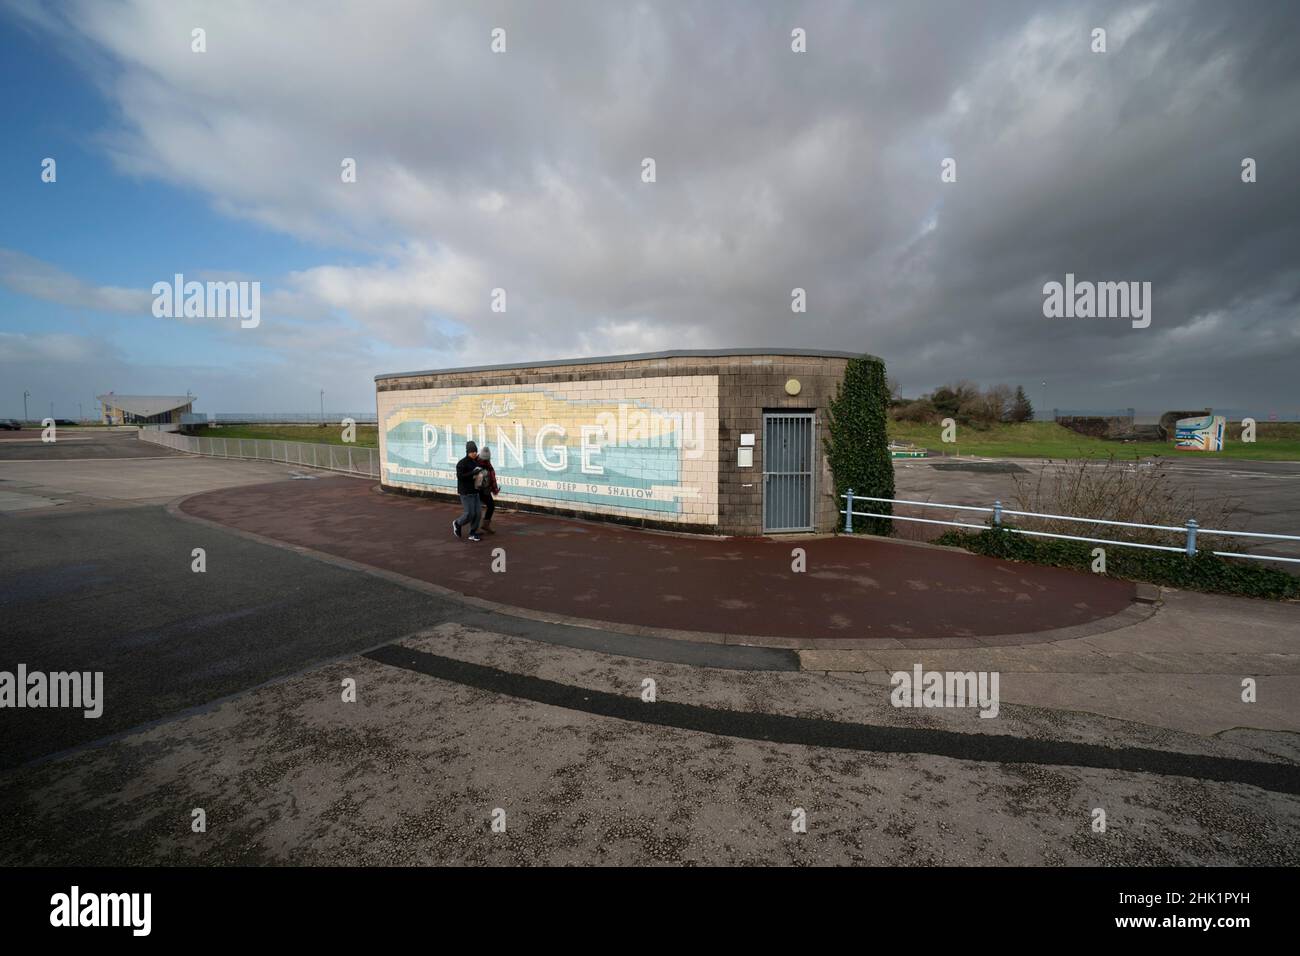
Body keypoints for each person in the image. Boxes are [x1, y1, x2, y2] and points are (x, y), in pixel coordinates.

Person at [452, 440, 483, 541]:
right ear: (468, 452)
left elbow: (477, 475)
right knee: (469, 513)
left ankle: (472, 532)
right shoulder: (462, 463)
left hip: (475, 491)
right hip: (465, 492)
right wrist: (473, 473)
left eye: (475, 451)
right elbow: (460, 476)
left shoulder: (476, 462)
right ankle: (458, 523)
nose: (474, 453)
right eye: (472, 451)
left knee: (478, 513)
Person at [477, 446, 500, 534]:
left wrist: (494, 489)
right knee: (476, 510)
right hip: (476, 490)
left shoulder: (488, 464)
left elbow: (492, 477)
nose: (485, 461)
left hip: (485, 489)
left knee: (491, 506)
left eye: (486, 459)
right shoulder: (476, 463)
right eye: (484, 459)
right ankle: (474, 529)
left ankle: (485, 525)